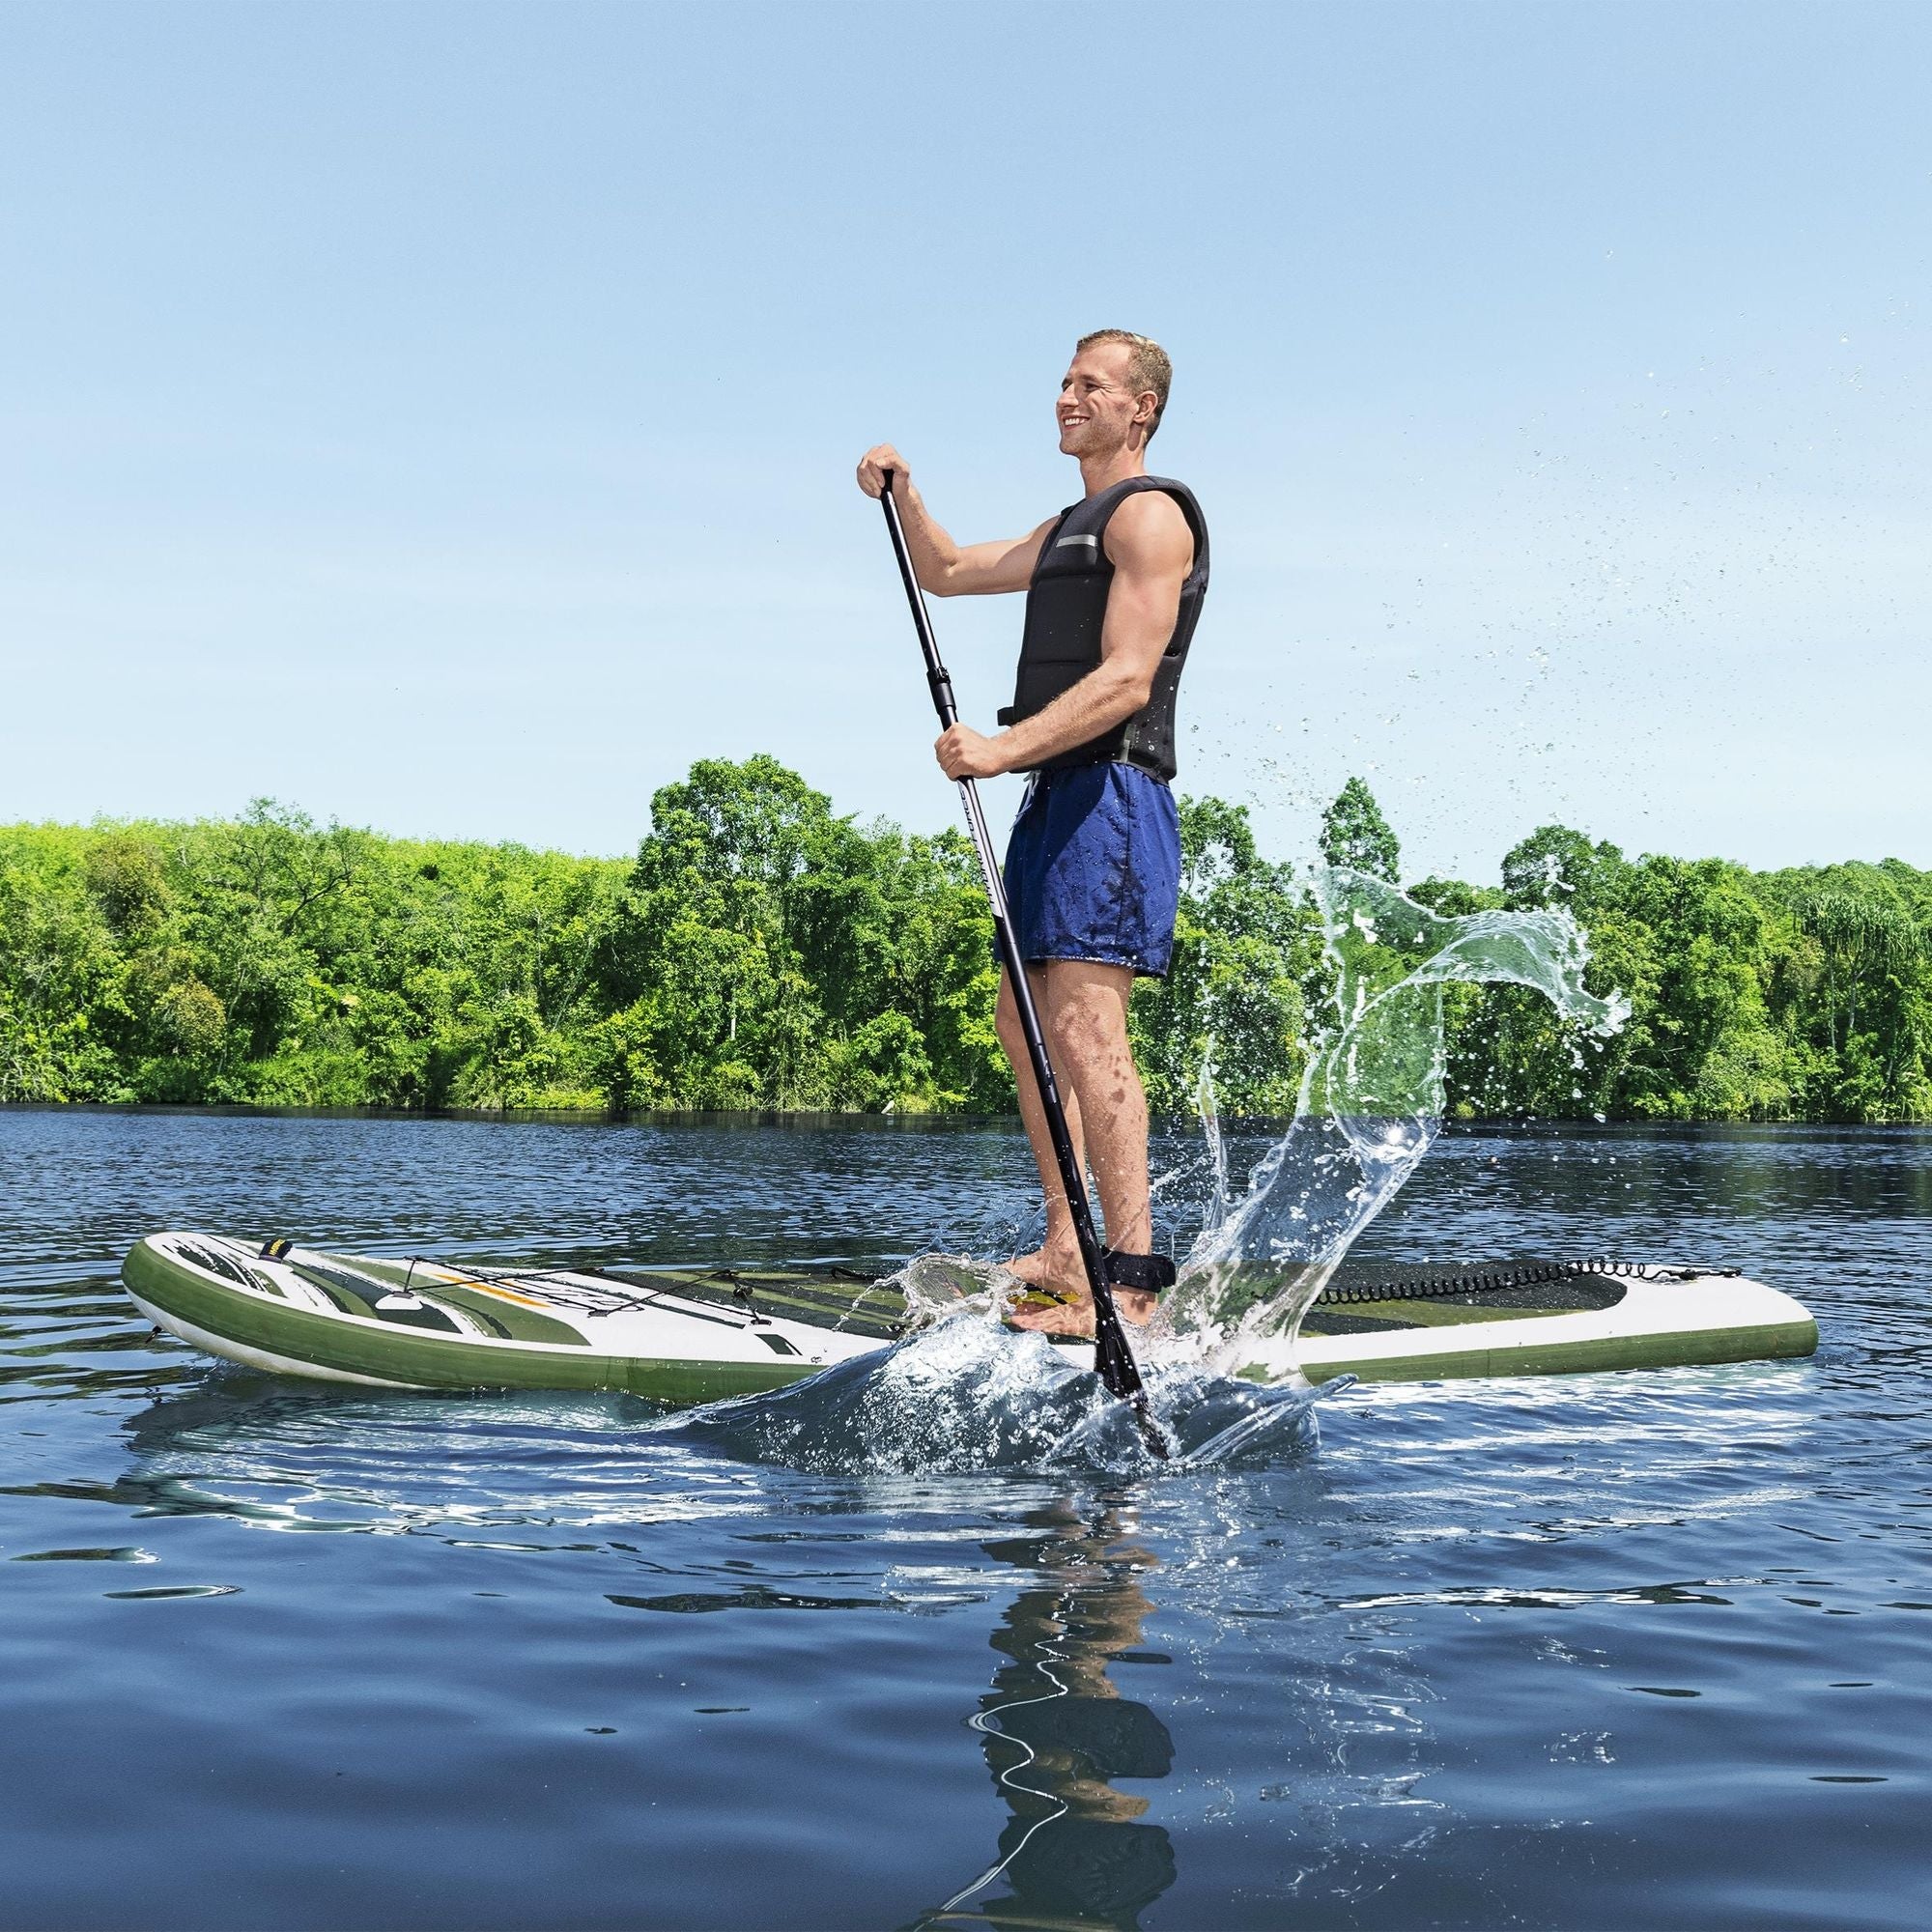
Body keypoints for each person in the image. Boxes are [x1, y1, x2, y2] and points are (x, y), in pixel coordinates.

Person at [856, 329, 1208, 1337]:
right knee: (1023, 1022)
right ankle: (1064, 1247)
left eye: (1088, 384)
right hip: (1054, 793)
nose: (1065, 396)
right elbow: (948, 569)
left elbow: (1126, 679)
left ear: (1139, 407)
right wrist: (902, 493)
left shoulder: (1149, 518)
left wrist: (1000, 748)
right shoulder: (1070, 524)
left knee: (1088, 1032)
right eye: (1061, 381)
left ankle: (1129, 1283)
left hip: (1112, 794)